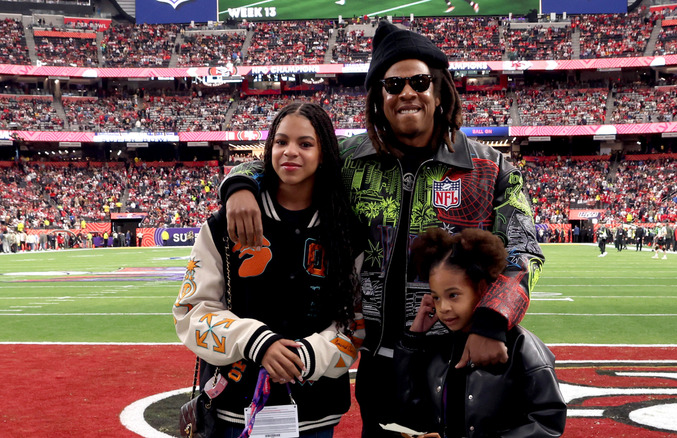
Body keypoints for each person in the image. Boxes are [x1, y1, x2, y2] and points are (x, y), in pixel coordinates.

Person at [218, 20, 543, 438]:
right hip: (378, 364)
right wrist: (241, 183)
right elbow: (287, 163)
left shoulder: (491, 169)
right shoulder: (349, 161)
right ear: (378, 98)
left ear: (440, 90)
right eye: (393, 85)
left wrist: (491, 322)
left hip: (461, 360)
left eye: (420, 81)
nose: (407, 92)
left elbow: (524, 253)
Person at [173, 102, 364, 438]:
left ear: (325, 153)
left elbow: (355, 322)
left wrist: (306, 355)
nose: (290, 152)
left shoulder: (346, 231)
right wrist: (256, 342)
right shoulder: (223, 223)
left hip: (315, 415)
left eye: (305, 144)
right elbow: (191, 312)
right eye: (281, 142)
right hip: (233, 412)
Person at [395, 227, 566, 437]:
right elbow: (410, 413)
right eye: (437, 297)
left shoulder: (522, 345)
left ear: (482, 288)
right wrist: (413, 341)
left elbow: (548, 423)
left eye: (454, 295)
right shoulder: (439, 345)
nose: (444, 307)